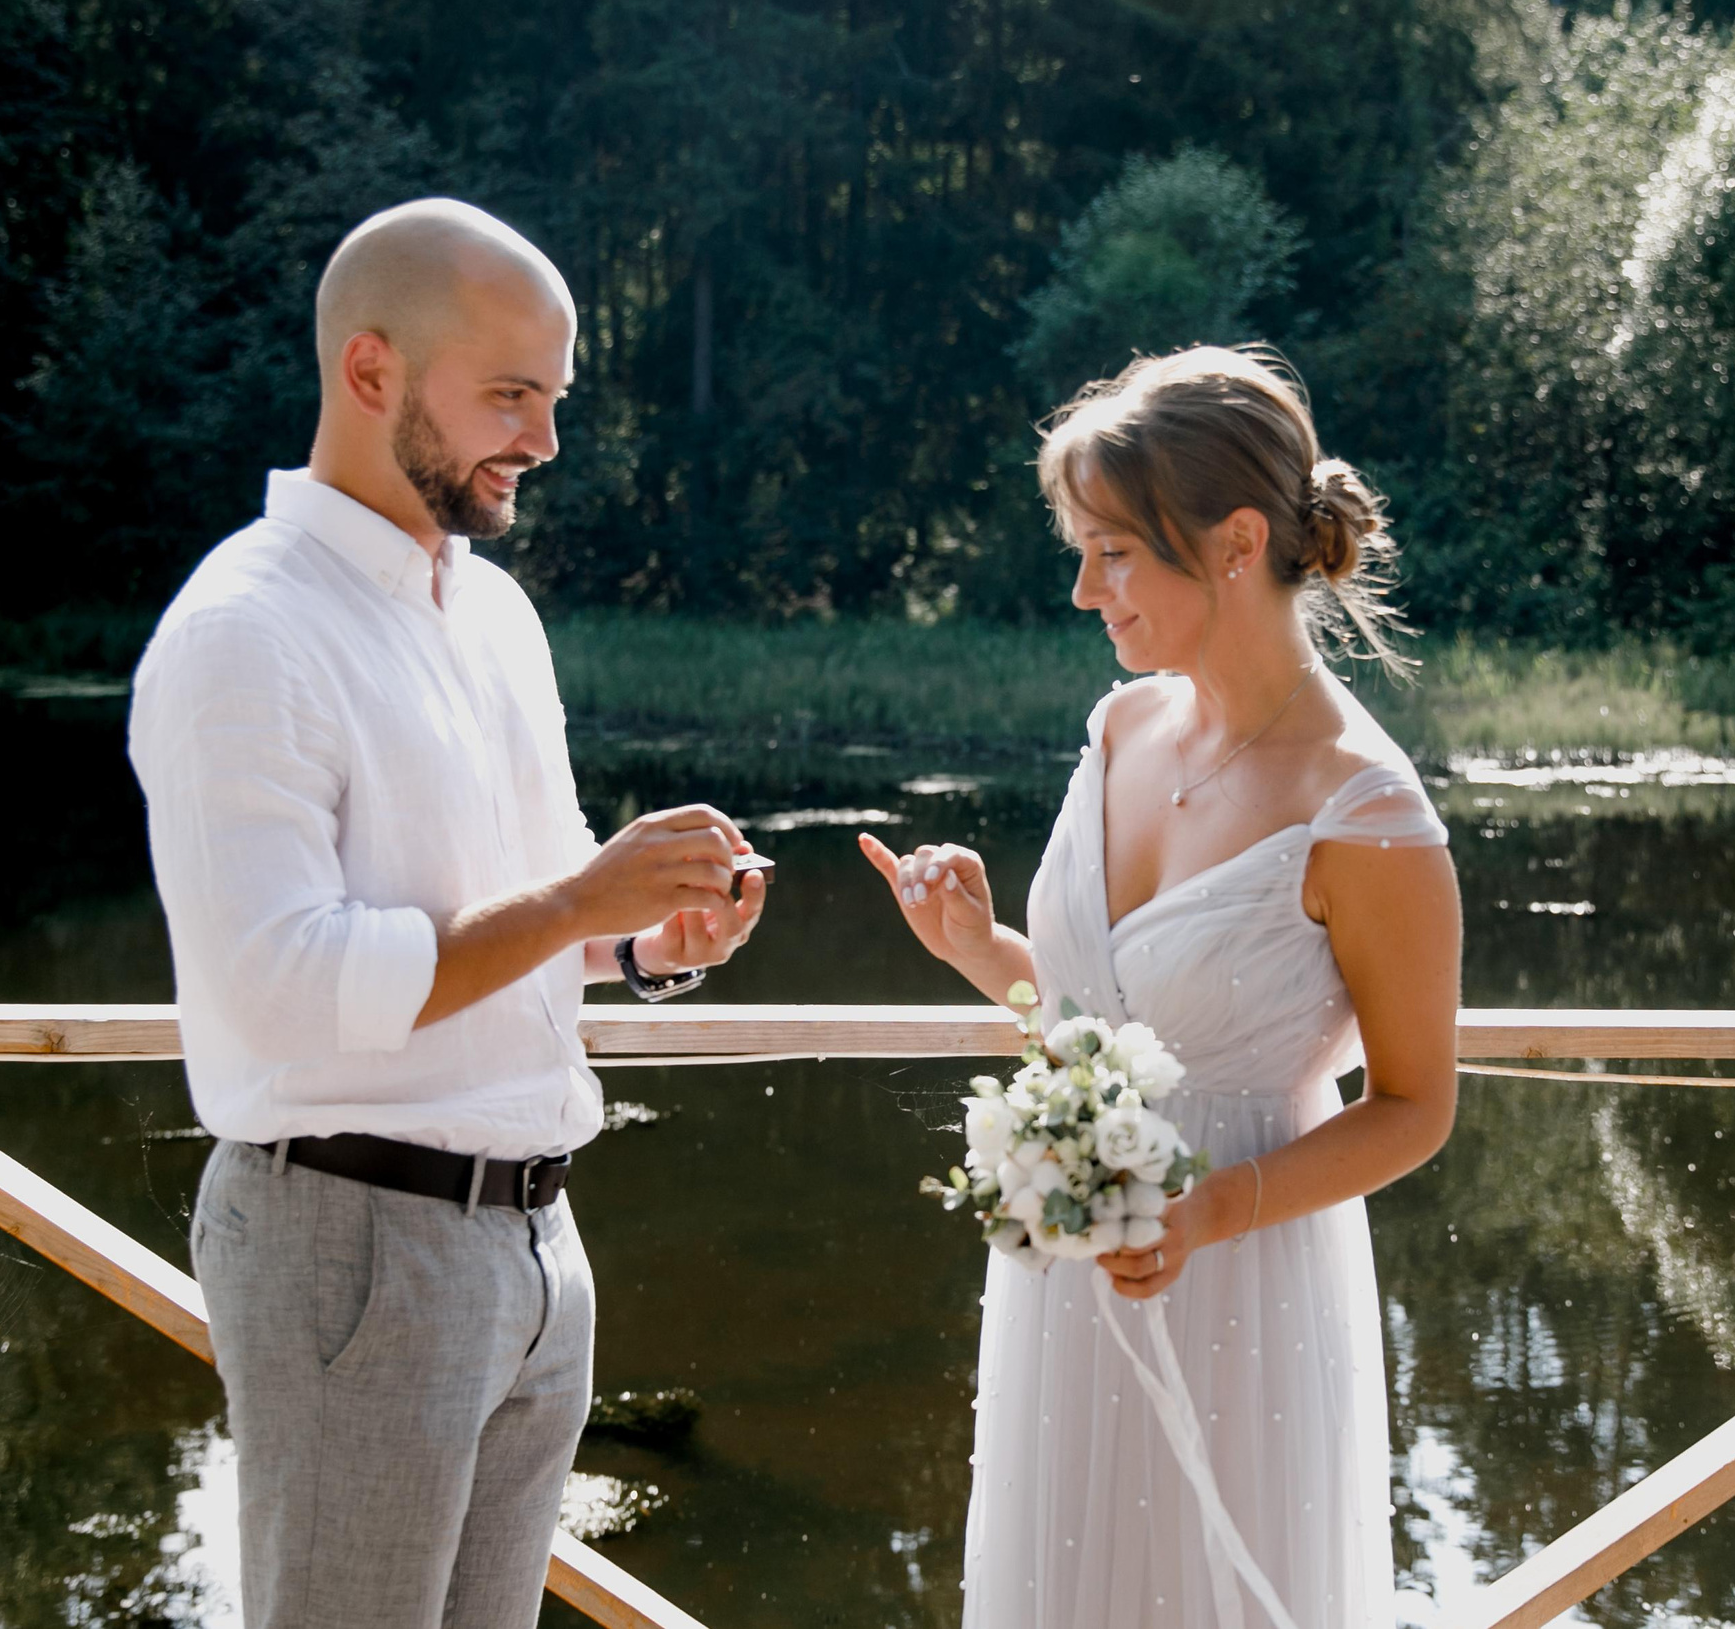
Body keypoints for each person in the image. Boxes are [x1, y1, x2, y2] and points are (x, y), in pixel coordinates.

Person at [129, 198, 768, 1629]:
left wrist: (636, 944)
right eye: (510, 395)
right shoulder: (245, 628)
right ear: (371, 372)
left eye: (553, 396)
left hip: (538, 1244)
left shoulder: (493, 615)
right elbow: (281, 984)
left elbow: (521, 914)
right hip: (354, 1242)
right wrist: (578, 897)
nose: (543, 437)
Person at [859, 345, 1460, 1629]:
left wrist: (1209, 1213)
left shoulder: (1363, 810)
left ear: (1235, 542)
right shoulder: (1122, 729)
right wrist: (977, 949)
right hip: (1069, 1280)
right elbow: (1098, 1032)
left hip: (1243, 1282)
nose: (1084, 591)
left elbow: (1415, 1107)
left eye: (1112, 552)